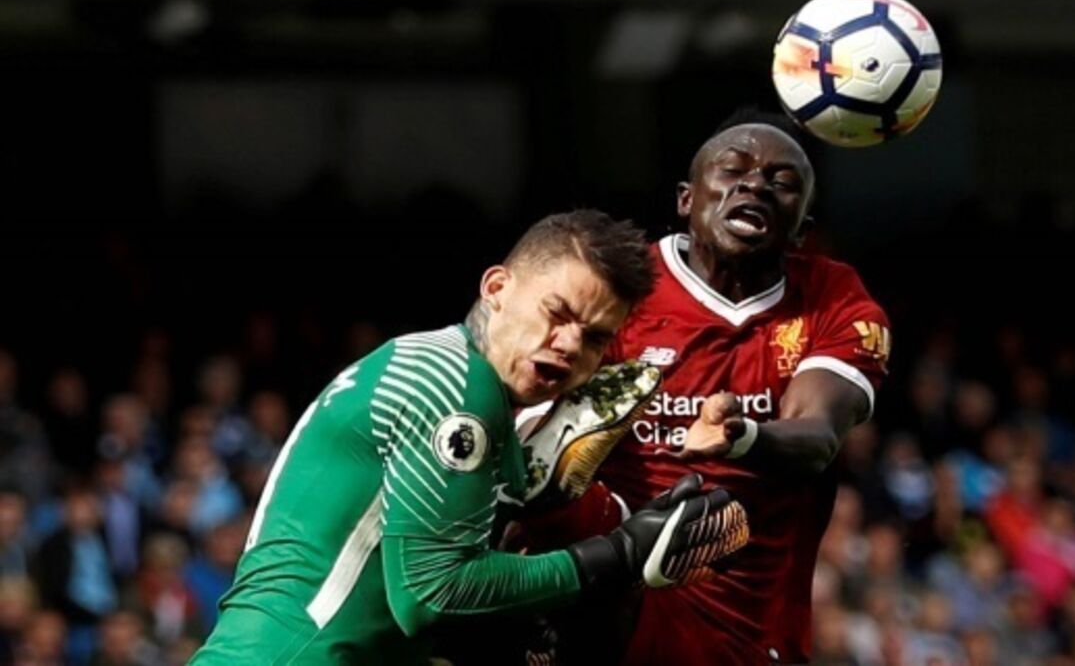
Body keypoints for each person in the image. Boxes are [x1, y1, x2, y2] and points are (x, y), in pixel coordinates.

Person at [190, 209, 749, 665]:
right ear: (497, 287)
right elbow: (432, 593)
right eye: (557, 312)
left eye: (595, 338)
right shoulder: (455, 385)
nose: (568, 345)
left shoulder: (440, 370)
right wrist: (617, 554)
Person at [527, 111, 892, 665]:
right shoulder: (619, 289)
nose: (755, 185)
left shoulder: (833, 297)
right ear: (686, 199)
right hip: (609, 612)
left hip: (748, 635)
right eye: (733, 170)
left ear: (801, 226)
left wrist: (742, 436)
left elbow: (816, 437)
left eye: (782, 181)